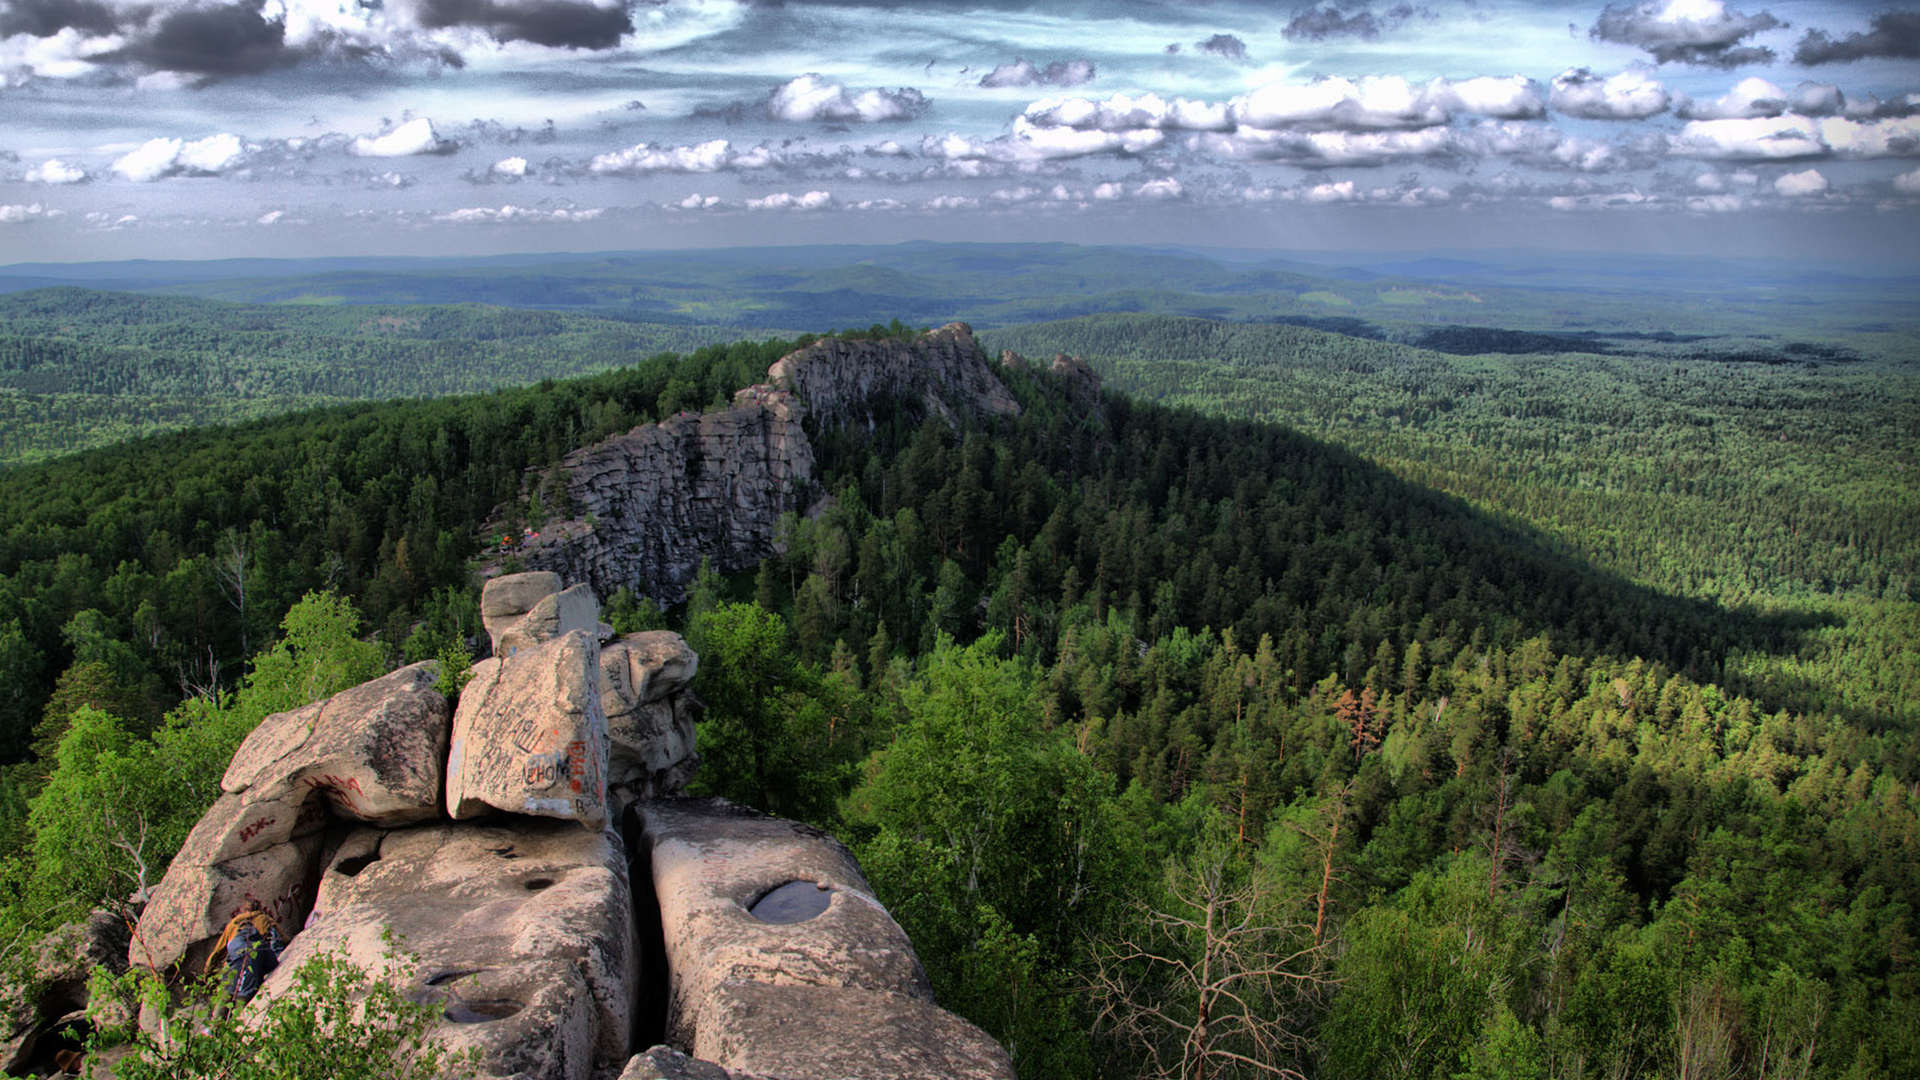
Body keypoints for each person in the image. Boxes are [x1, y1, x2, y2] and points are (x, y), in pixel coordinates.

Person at [205, 898, 285, 1017]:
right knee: (241, 1011)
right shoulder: (265, 921)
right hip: (253, 968)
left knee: (221, 1005)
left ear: (244, 909)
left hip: (230, 971)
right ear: (260, 908)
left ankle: (213, 1031)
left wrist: (208, 972)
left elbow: (218, 951)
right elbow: (281, 940)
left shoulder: (233, 925)